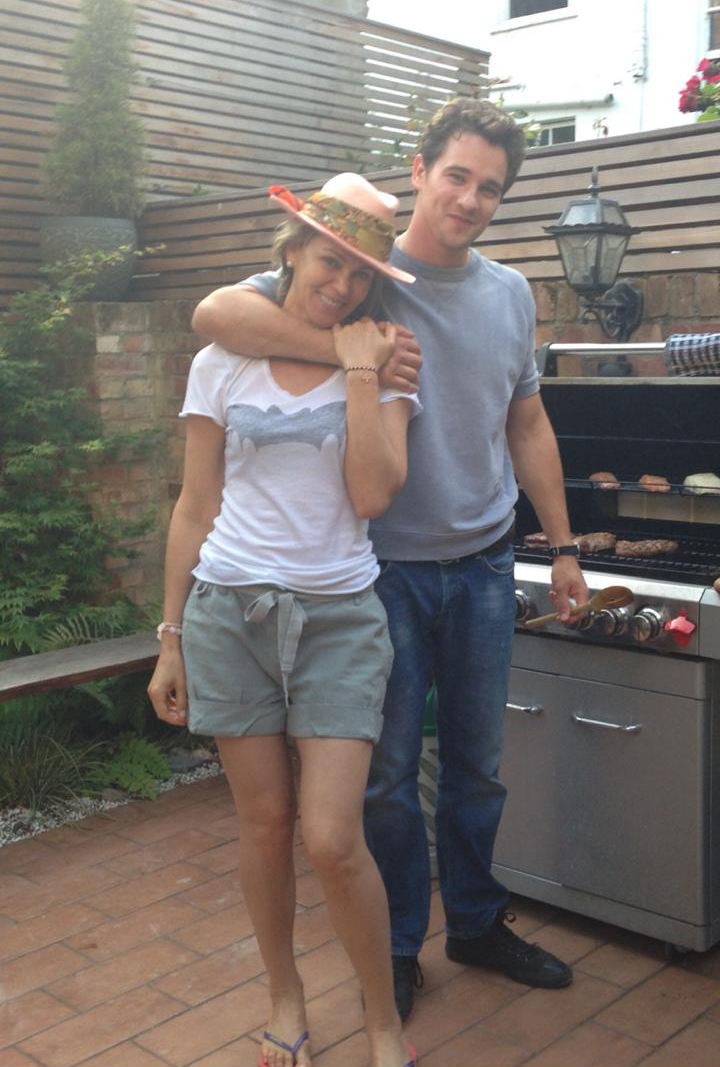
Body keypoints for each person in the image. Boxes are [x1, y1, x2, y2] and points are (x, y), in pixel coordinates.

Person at [191, 98, 588, 1021]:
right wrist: (347, 349)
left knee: (479, 765)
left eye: (491, 187)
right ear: (419, 170)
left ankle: (479, 922)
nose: (471, 198)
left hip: (486, 561)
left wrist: (562, 546)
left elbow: (526, 420)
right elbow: (219, 314)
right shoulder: (362, 267)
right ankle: (399, 945)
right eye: (457, 175)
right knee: (386, 778)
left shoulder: (511, 293)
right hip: (384, 570)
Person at [148, 172, 422, 1067]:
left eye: (359, 273)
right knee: (263, 828)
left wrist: (357, 368)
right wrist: (171, 634)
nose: (341, 283)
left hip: (341, 615)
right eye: (329, 260)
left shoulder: (388, 358)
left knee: (333, 838)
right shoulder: (222, 356)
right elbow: (195, 503)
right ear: (294, 250)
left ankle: (381, 1019)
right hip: (229, 610)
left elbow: (373, 493)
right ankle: (286, 996)